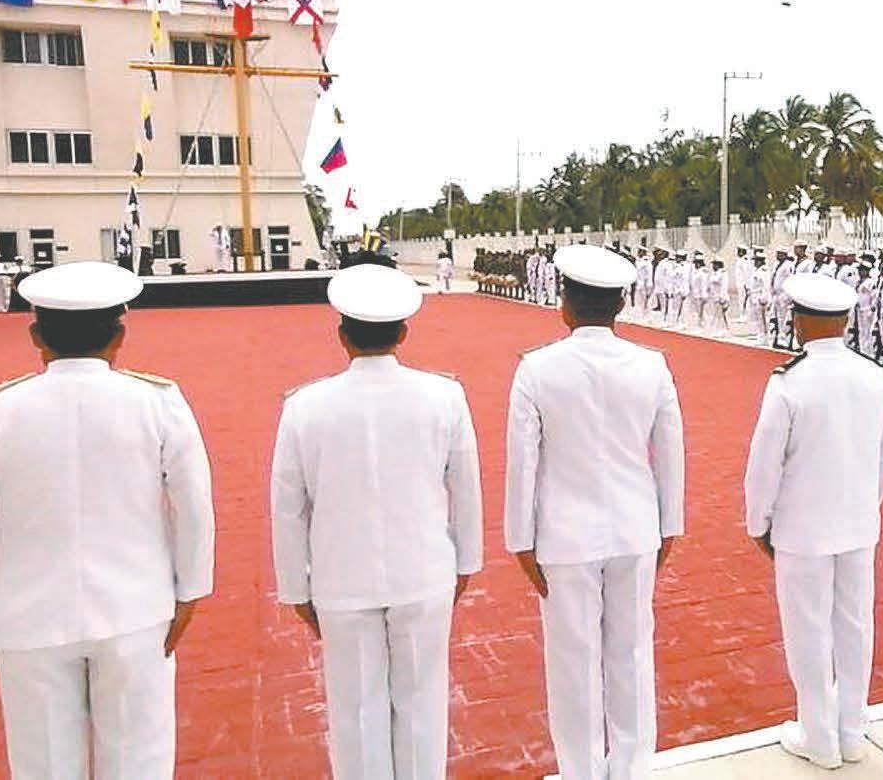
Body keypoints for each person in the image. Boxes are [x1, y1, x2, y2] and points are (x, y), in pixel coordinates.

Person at [0, 261, 215, 776]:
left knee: (43, 765)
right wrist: (190, 591)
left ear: (36, 336)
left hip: (28, 617)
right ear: (120, 335)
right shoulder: (158, 403)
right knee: (139, 761)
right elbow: (193, 503)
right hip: (136, 608)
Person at [272, 265, 480, 778]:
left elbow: (289, 507)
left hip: (341, 579)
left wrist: (296, 588)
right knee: (423, 705)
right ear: (403, 333)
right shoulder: (443, 396)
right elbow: (465, 487)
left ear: (341, 335)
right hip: (424, 572)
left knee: (355, 712)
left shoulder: (305, 407)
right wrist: (464, 564)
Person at [506, 245, 684, 779]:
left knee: (573, 662)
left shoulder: (537, 369)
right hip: (635, 529)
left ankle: (581, 770)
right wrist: (668, 526)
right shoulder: (651, 365)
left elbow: (522, 463)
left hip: (564, 536)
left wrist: (520, 540)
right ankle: (631, 769)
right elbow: (670, 452)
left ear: (564, 303)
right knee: (632, 654)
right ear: (621, 304)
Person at [743, 273, 883, 768]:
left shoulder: (790, 381)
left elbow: (765, 464)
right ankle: (851, 731)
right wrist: (865, 506)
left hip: (802, 528)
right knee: (856, 626)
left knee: (808, 629)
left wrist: (759, 522)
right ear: (847, 321)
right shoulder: (875, 378)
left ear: (799, 321)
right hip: (858, 523)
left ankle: (819, 737)